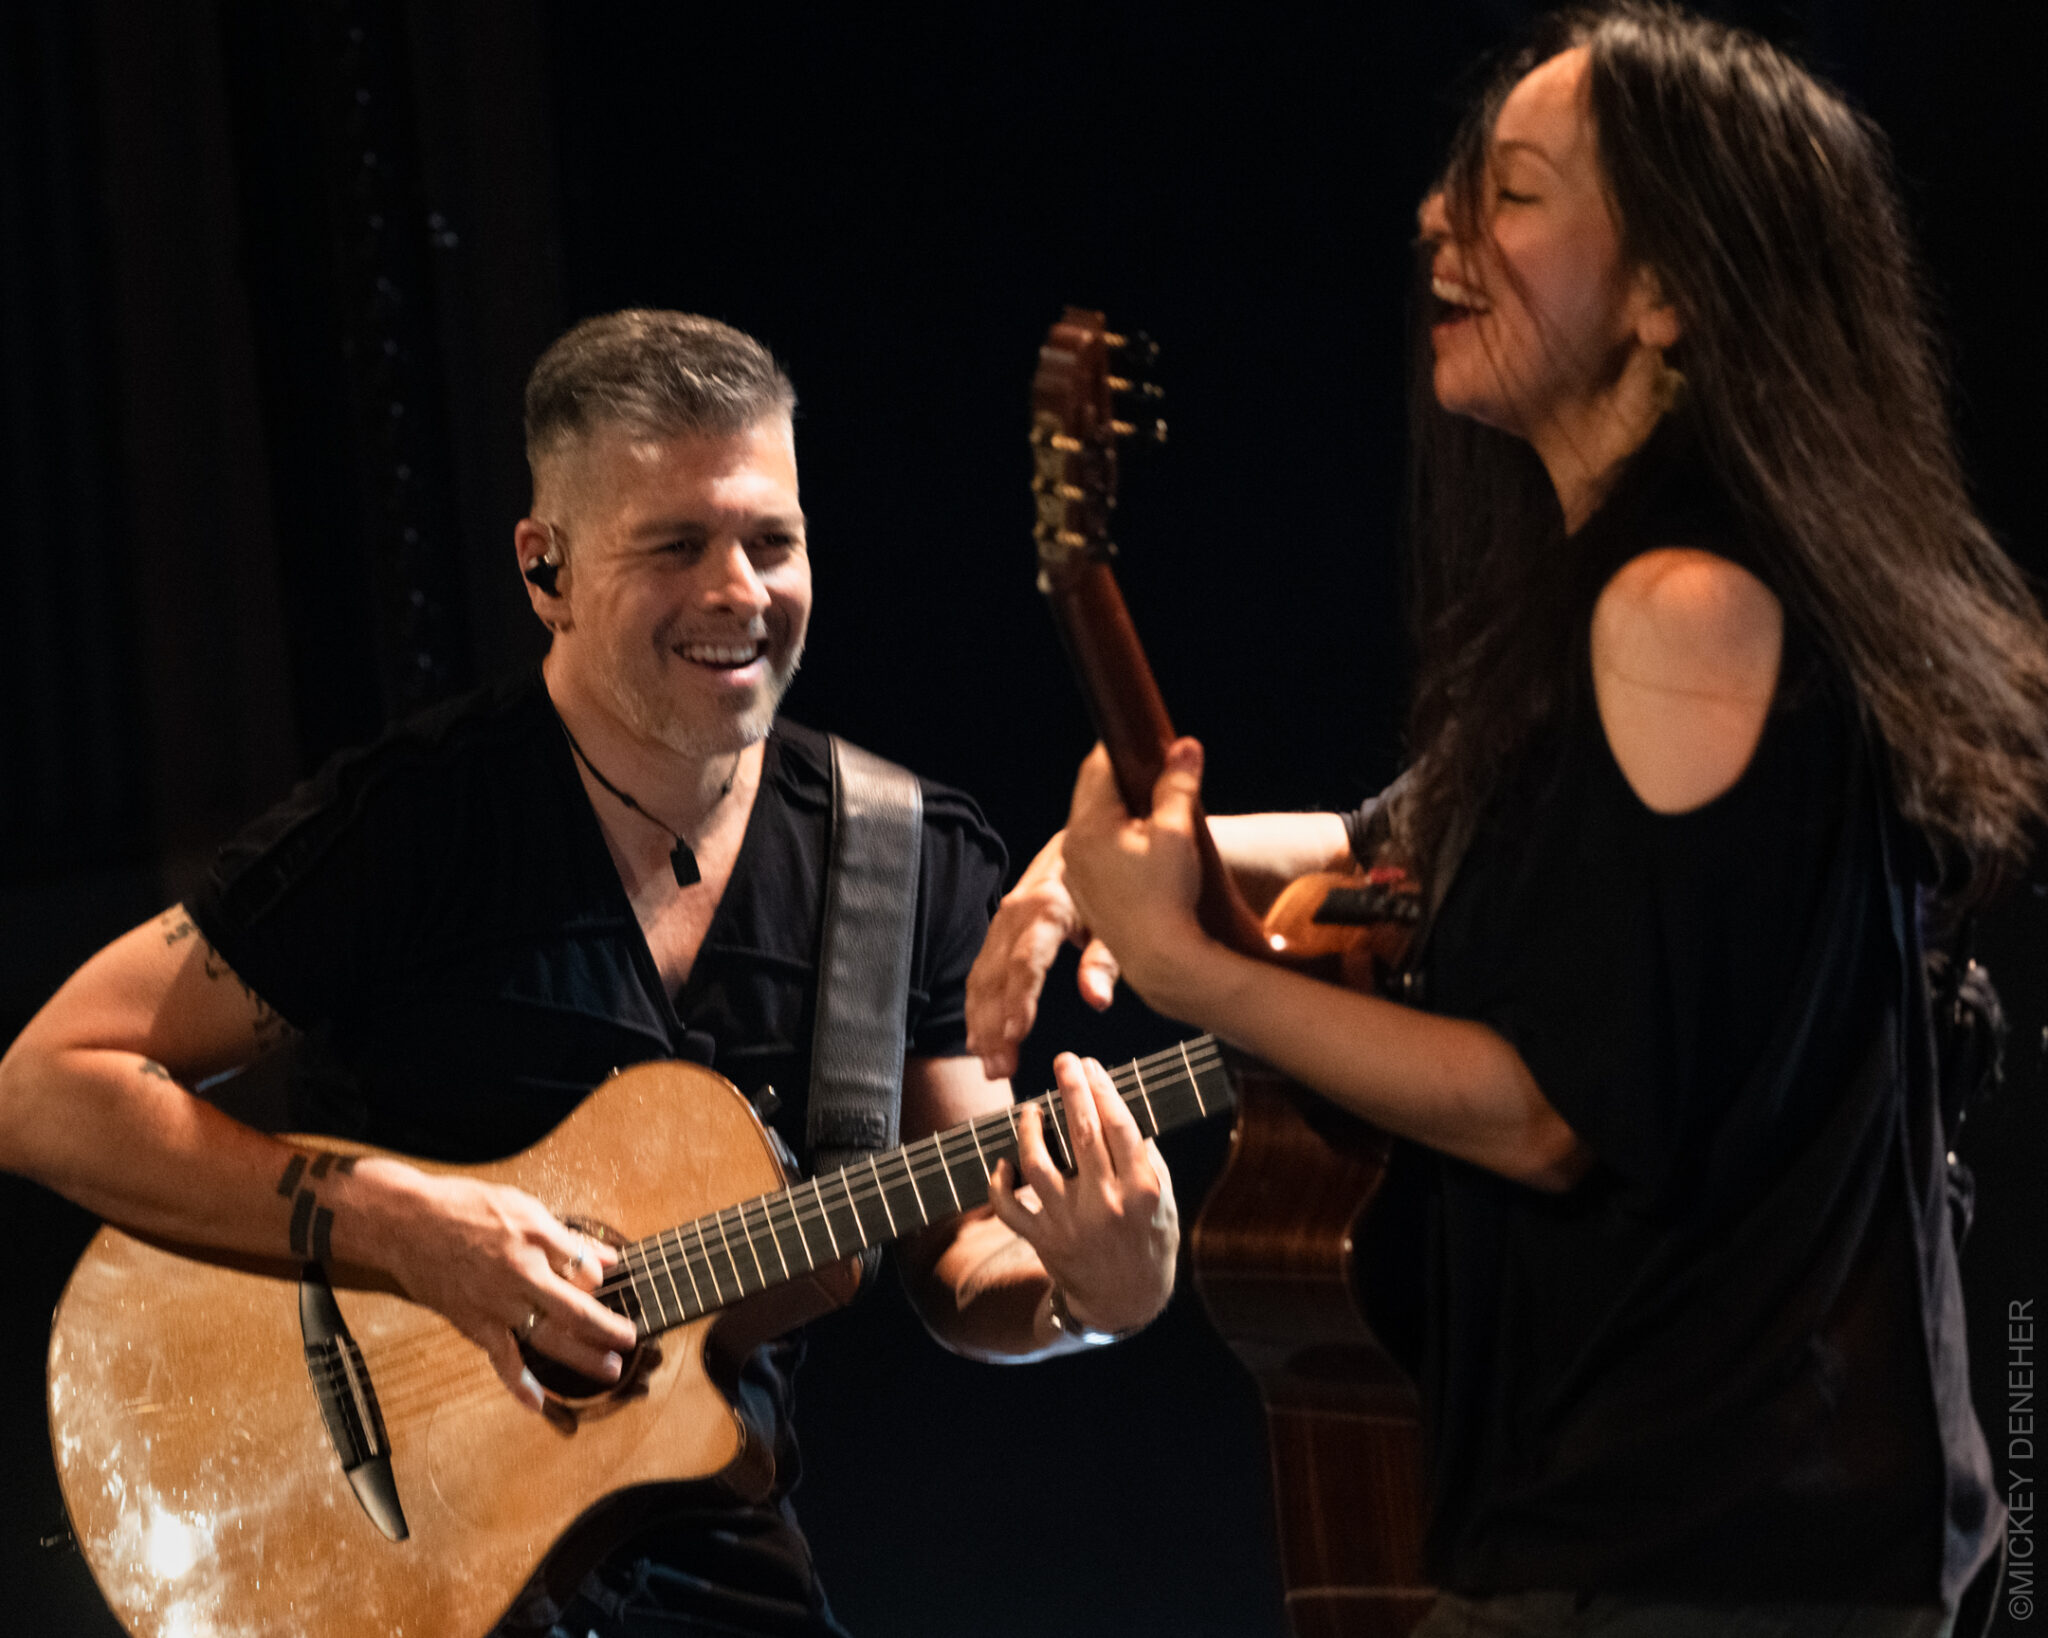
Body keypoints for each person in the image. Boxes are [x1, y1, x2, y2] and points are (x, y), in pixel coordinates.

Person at [967, 6, 2048, 1634]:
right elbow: (1400, 845)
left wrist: (1194, 977)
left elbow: (1552, 1104)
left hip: (1704, 1553)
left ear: (1674, 289)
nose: (1435, 225)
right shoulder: (1632, 594)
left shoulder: (1681, 603)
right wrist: (1077, 873)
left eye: (1515, 193)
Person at [0, 310, 1179, 1638]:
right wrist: (397, 1219)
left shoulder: (902, 855)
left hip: (713, 1567)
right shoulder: (413, 825)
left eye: (772, 541)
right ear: (544, 566)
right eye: (676, 545)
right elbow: (46, 1085)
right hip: (399, 1571)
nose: (739, 591)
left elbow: (961, 1261)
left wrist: (1095, 1293)